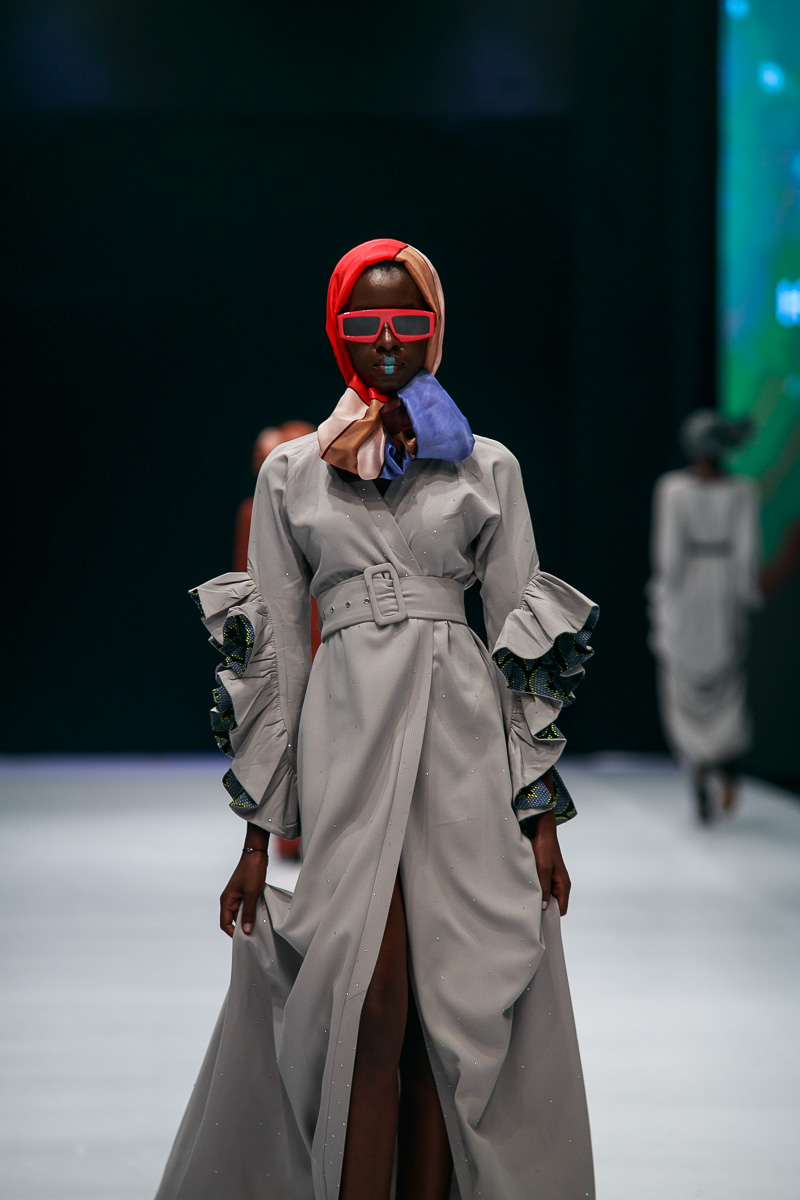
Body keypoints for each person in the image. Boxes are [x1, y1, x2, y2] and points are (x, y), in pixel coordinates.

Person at [156, 239, 598, 1200]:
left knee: (450, 1013)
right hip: (350, 732)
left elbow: (522, 639)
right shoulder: (294, 474)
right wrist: (255, 837)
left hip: (460, 734)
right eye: (365, 321)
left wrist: (542, 818)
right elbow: (275, 652)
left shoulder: (488, 466)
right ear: (336, 331)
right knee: (369, 998)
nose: (388, 338)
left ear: (436, 330)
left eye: (409, 320)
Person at [648, 409, 760, 820]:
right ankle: (725, 770)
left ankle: (700, 776)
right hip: (722, 592)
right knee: (725, 684)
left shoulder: (673, 488)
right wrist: (744, 598)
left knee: (687, 685)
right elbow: (747, 553)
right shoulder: (742, 490)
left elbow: (668, 555)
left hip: (687, 593)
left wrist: (662, 601)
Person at [234, 420, 319, 860]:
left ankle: (307, 832)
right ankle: (288, 833)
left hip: (324, 624)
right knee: (285, 720)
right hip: (286, 625)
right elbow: (249, 578)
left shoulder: (320, 506)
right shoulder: (255, 511)